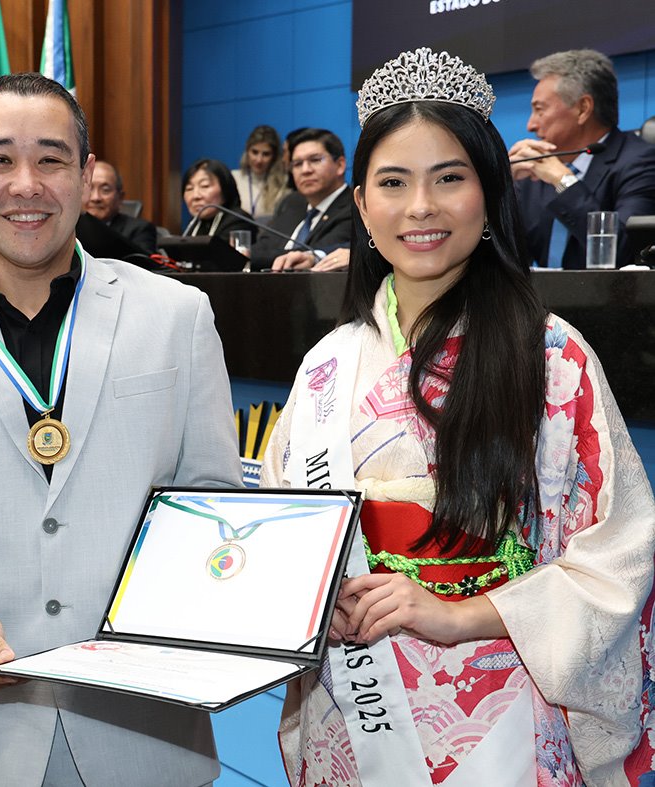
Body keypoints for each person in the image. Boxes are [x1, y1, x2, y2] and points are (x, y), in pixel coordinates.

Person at [262, 48, 655, 785]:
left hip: (500, 696)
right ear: (361, 205)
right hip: (352, 702)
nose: (420, 206)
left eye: (449, 178)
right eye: (392, 182)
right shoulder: (326, 363)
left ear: (488, 193)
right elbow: (284, 524)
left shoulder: (551, 355)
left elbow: (617, 556)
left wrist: (458, 614)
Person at [0, 72, 242, 786]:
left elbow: (211, 498)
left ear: (86, 176)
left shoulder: (175, 315)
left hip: (145, 726)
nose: (25, 184)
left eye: (51, 160)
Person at [509, 49, 655, 268]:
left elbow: (626, 251)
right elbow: (503, 256)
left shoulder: (641, 162)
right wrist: (500, 189)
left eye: (540, 110)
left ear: (583, 109)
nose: (531, 125)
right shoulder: (533, 171)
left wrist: (564, 181)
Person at [249, 128, 352, 271]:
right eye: (297, 164)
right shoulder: (292, 202)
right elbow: (261, 248)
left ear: (340, 165)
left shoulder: (355, 205)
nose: (305, 170)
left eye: (315, 160)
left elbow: (319, 251)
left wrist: (252, 257)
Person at [86, 159, 158, 252]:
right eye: (89, 188)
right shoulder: (71, 227)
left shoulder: (140, 230)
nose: (95, 198)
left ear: (120, 197)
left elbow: (142, 261)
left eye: (105, 190)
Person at [180, 157, 254, 242]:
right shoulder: (194, 224)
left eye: (205, 186)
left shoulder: (238, 221)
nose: (195, 196)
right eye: (189, 188)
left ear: (225, 190)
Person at [232, 124, 291, 221]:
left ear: (274, 156)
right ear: (247, 151)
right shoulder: (233, 178)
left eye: (266, 154)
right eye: (254, 152)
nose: (259, 160)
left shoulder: (285, 182)